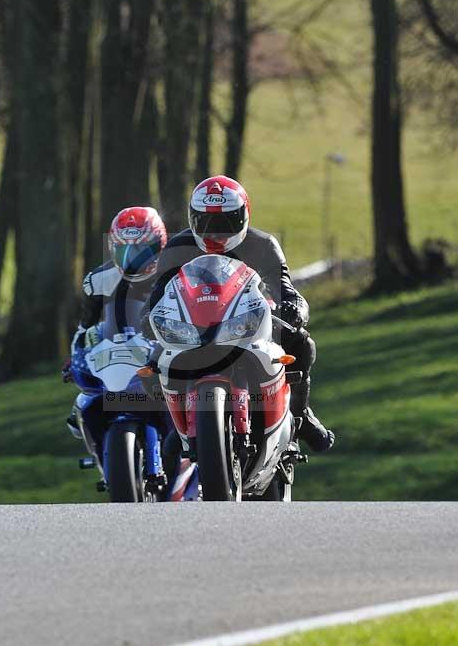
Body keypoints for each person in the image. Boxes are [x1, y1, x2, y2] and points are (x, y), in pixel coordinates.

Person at [141, 175, 334, 452]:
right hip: (194, 327)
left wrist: (295, 309)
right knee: (153, 363)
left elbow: (287, 290)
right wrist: (148, 319)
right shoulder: (175, 249)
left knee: (302, 342)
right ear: (192, 219)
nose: (215, 232)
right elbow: (156, 295)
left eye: (225, 223)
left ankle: (300, 414)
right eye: (205, 223)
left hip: (247, 321)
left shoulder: (263, 245)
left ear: (244, 217)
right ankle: (178, 424)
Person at [62, 206, 168, 425]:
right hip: (121, 349)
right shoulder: (98, 280)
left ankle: (194, 440)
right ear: (112, 248)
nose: (132, 260)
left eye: (141, 251)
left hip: (165, 348)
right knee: (82, 403)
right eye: (123, 251)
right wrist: (75, 357)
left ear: (160, 245)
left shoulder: (174, 274)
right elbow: (86, 326)